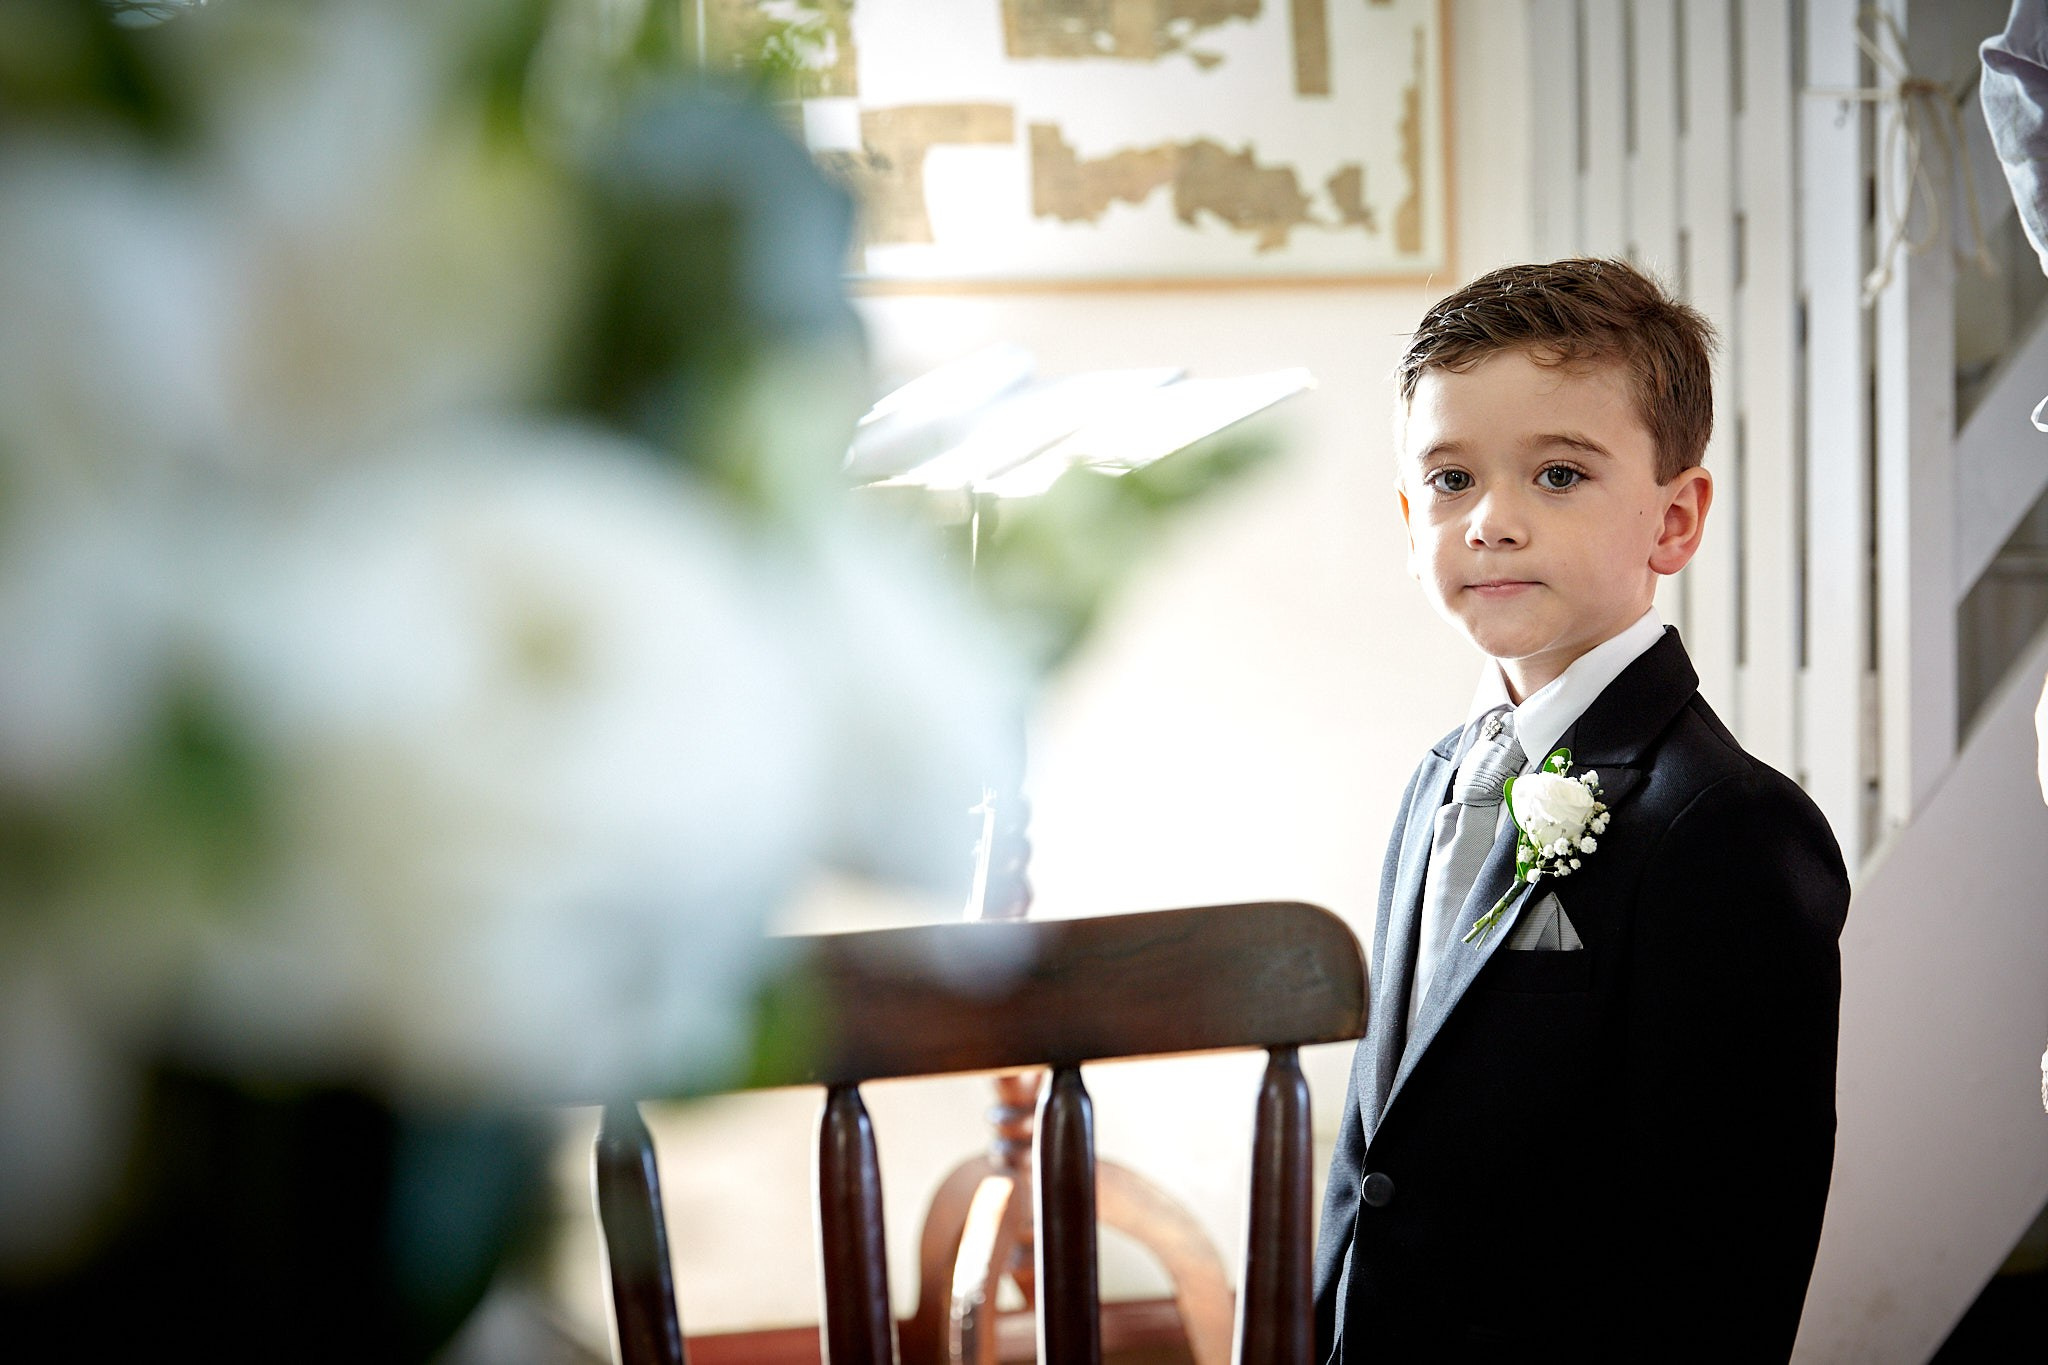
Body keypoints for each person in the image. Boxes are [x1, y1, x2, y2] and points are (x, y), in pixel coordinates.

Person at [1313, 258, 1850, 1362]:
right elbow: (1378, 1148)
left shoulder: (1726, 825)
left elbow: (1728, 1244)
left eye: (1557, 475)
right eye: (1451, 480)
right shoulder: (1437, 776)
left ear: (1674, 518)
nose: (1492, 520)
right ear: (1409, 514)